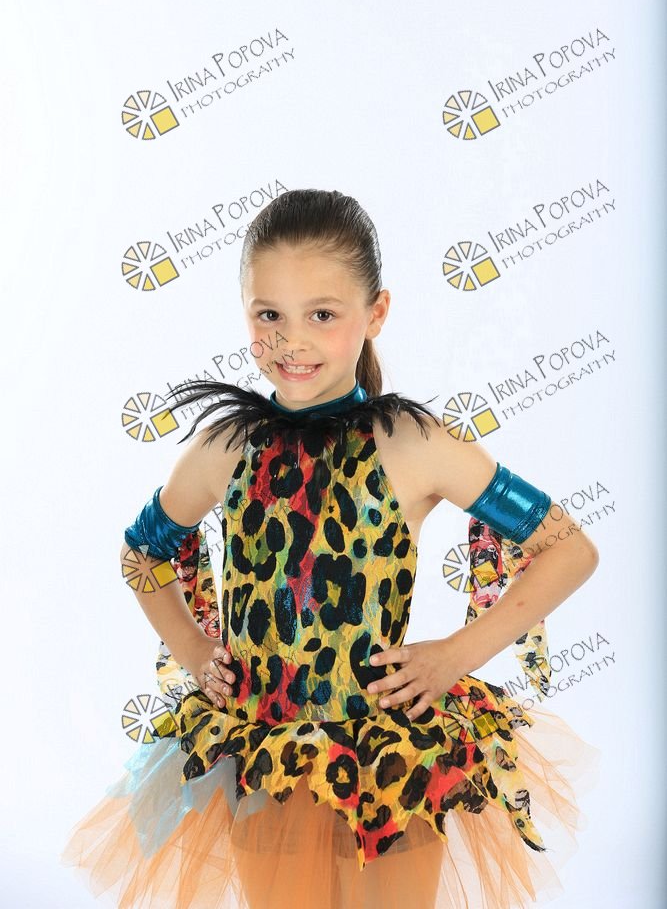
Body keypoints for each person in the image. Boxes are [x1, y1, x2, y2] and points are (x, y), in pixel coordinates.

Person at [60, 188, 602, 909]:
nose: (293, 342)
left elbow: (568, 549)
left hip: (389, 759)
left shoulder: (412, 444)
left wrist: (454, 655)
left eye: (322, 315)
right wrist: (193, 650)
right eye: (269, 316)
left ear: (375, 313)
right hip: (264, 757)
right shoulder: (224, 448)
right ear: (245, 313)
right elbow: (142, 553)